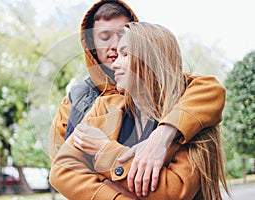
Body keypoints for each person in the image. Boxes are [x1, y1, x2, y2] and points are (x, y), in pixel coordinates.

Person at [49, 0, 226, 197]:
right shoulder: (92, 102)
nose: (114, 49)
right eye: (104, 37)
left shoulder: (190, 110)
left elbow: (174, 191)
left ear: (148, 54)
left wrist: (110, 152)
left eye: (124, 49)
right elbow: (63, 171)